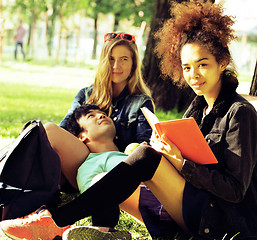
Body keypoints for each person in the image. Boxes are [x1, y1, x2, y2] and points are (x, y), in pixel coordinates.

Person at [1, 1, 257, 239]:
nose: (193, 75)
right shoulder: (197, 108)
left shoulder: (239, 113)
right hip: (187, 203)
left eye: (202, 65)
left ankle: (55, 222)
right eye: (187, 67)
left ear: (222, 62)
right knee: (116, 175)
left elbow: (234, 190)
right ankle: (106, 232)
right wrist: (167, 151)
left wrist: (179, 161)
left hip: (217, 218)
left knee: (143, 155)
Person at [59, 32, 154, 153]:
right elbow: (64, 130)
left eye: (123, 59)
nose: (116, 65)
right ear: (103, 62)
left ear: (133, 64)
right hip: (84, 162)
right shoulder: (85, 95)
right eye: (111, 59)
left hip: (123, 166)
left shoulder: (141, 102)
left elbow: (146, 145)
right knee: (49, 131)